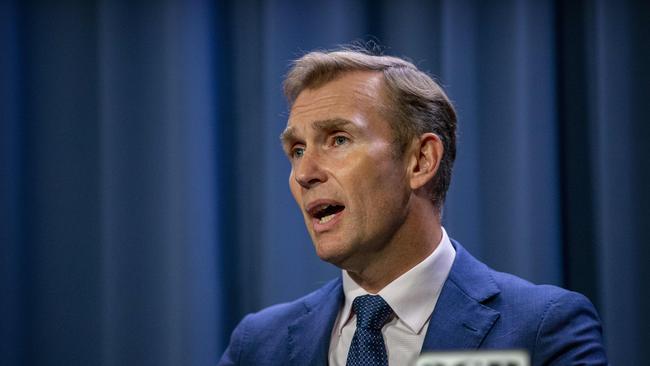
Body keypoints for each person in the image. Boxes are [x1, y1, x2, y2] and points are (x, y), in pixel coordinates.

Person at [218, 48, 607, 366]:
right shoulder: (257, 345)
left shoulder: (543, 329)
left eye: (337, 140)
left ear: (420, 161)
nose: (304, 172)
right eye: (297, 150)